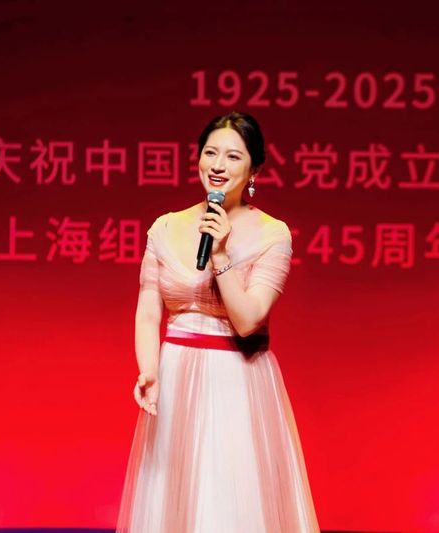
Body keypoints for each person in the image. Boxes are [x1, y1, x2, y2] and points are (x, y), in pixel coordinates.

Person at [115, 112, 320, 532]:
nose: (218, 165)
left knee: (228, 501)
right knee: (172, 500)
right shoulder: (166, 226)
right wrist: (149, 370)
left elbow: (247, 320)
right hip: (174, 377)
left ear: (254, 170)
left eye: (232, 156)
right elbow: (149, 308)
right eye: (210, 153)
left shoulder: (273, 234)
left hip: (238, 381)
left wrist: (222, 254)